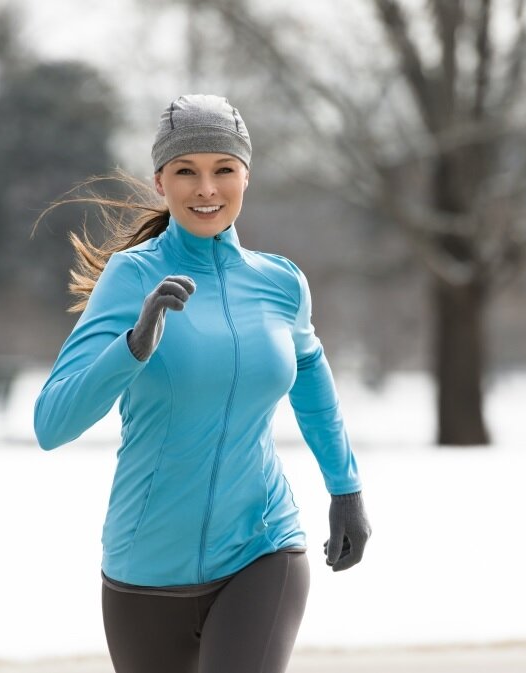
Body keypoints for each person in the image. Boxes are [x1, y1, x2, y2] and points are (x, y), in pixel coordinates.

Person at [33, 94, 371, 673]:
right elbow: (51, 422)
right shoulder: (131, 277)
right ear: (161, 182)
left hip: (262, 546)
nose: (206, 189)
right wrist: (132, 347)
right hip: (146, 568)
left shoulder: (281, 283)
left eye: (223, 170)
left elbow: (311, 376)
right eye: (186, 171)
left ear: (246, 176)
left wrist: (345, 489)